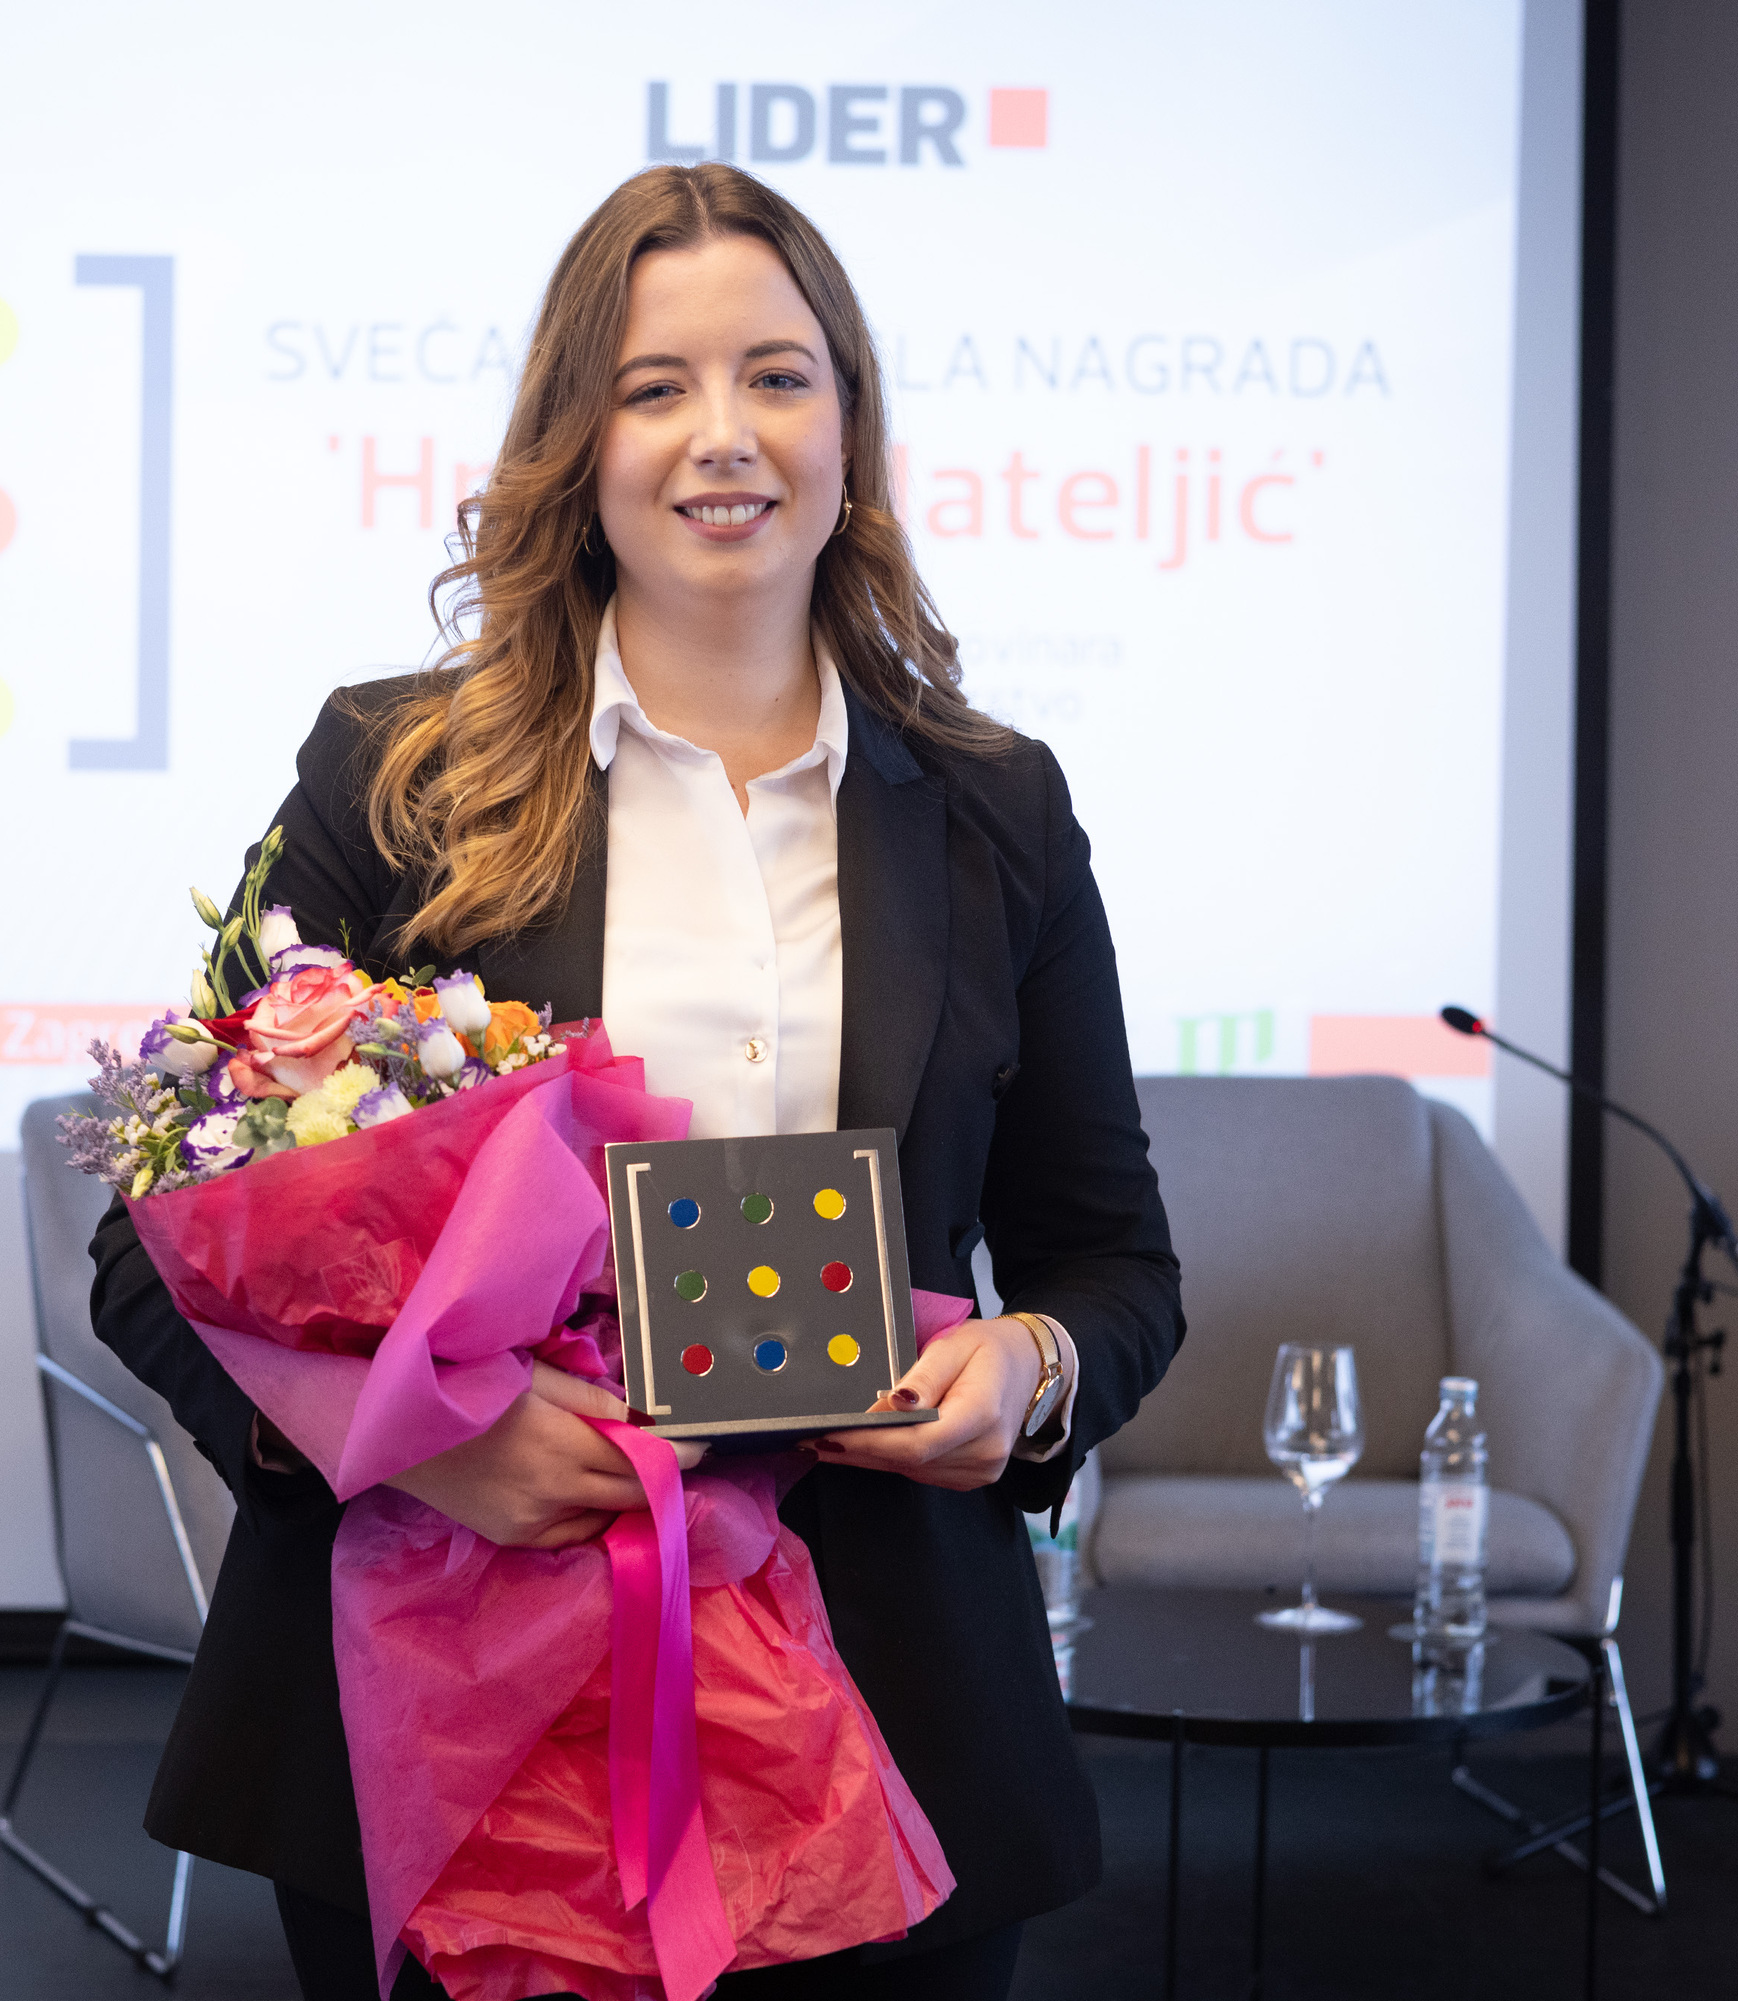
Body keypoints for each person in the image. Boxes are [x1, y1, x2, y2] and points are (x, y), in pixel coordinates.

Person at [91, 163, 1183, 2001]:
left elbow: (1114, 1263)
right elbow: (156, 1243)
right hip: (460, 1722)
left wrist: (1032, 1368)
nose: (722, 434)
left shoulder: (995, 810)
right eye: (654, 385)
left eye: (778, 376)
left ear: (851, 427)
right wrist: (419, 1435)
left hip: (888, 1725)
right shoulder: (397, 777)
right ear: (575, 445)